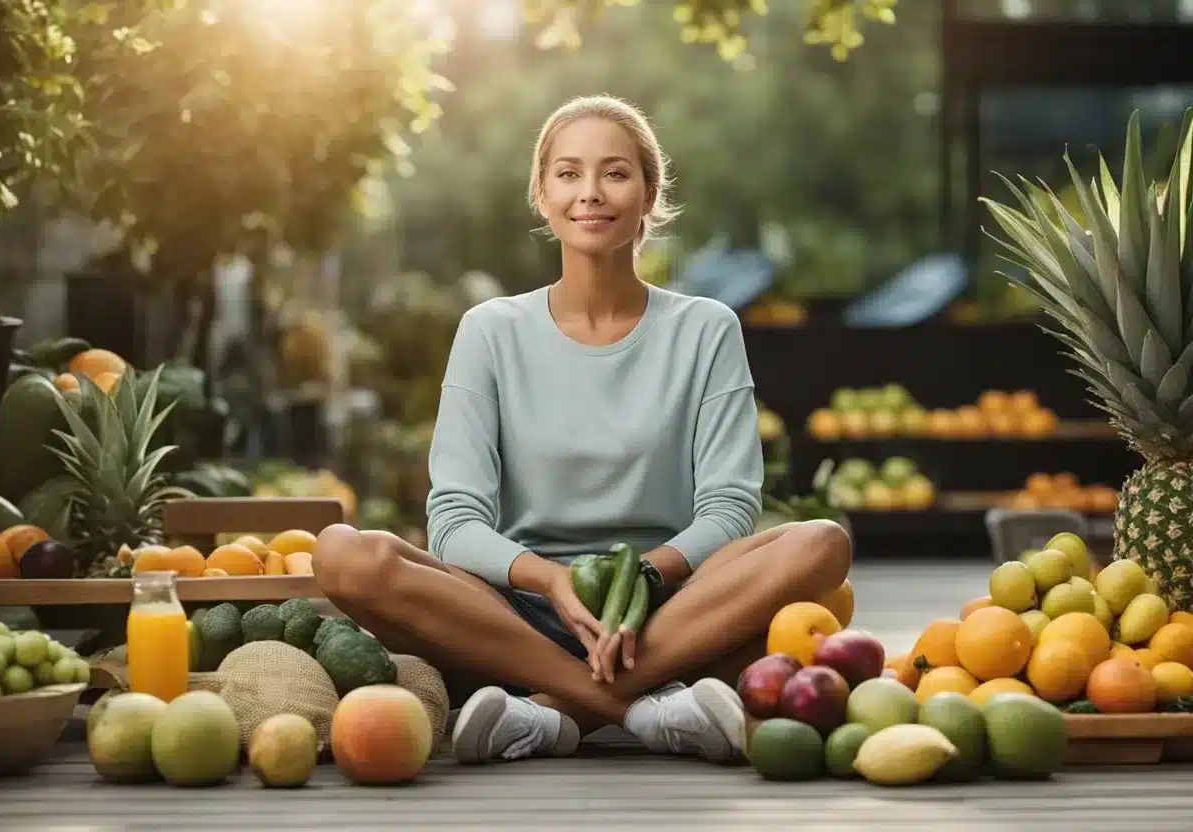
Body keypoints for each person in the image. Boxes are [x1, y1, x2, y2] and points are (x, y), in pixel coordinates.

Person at [312, 94, 851, 766]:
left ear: (650, 193)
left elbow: (730, 507)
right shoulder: (491, 331)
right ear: (540, 194)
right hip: (511, 616)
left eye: (615, 173)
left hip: (671, 613)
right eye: (568, 174)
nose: (590, 193)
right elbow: (453, 519)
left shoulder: (706, 329)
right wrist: (550, 582)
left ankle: (551, 714)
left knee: (821, 544)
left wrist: (644, 580)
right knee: (342, 552)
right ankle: (639, 708)